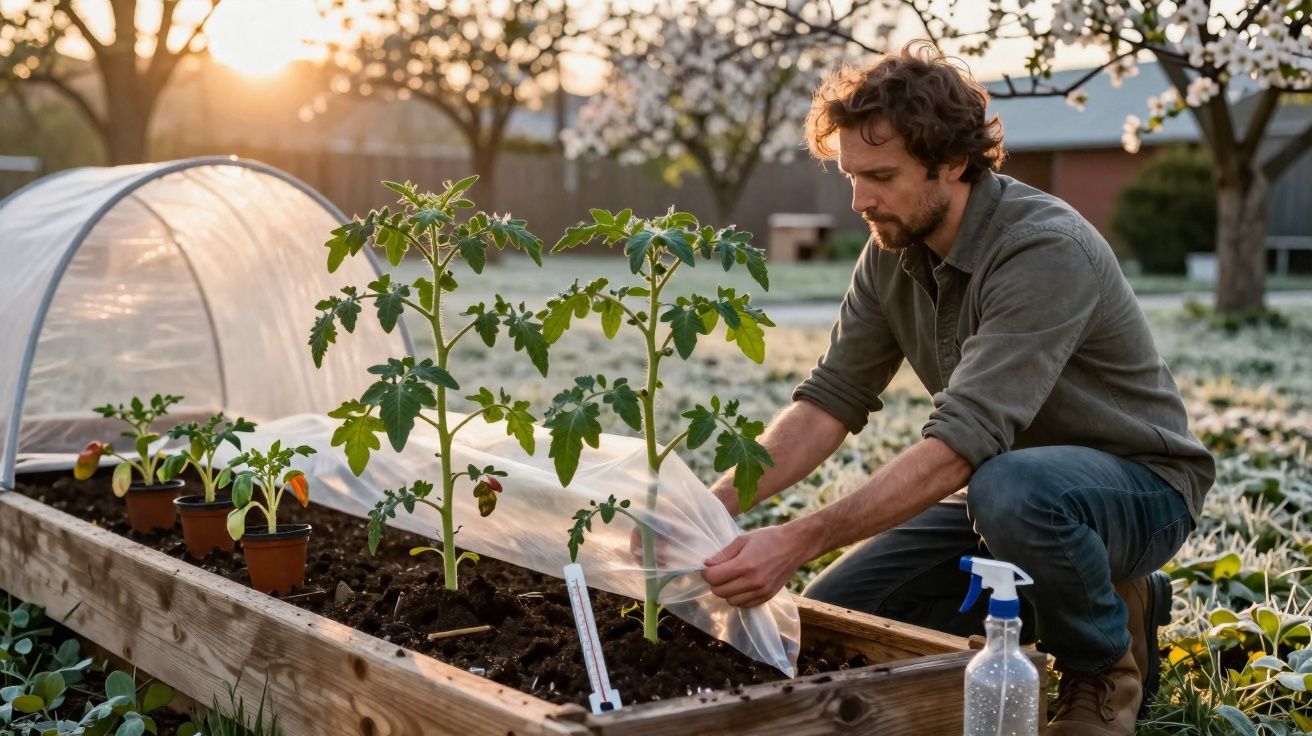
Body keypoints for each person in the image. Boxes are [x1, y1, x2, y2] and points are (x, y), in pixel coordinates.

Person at [696, 42, 1215, 735]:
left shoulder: (1043, 250)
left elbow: (963, 444)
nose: (859, 200)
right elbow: (829, 399)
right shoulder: (891, 248)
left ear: (953, 163)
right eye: (851, 176)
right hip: (1002, 497)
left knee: (1013, 491)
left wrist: (797, 537)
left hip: (1138, 490)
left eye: (880, 176)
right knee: (848, 622)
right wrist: (711, 506)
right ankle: (1086, 592)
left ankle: (1102, 663)